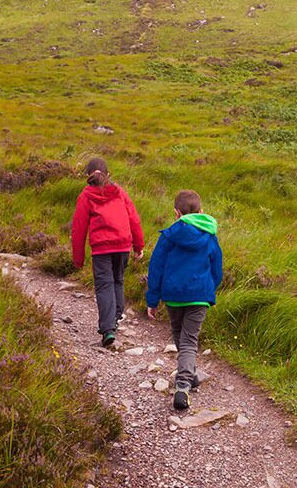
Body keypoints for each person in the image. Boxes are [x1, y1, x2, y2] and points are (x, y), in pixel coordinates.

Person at [145, 189, 223, 411]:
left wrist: (152, 299)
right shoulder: (209, 235)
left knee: (181, 337)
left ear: (176, 213)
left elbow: (156, 268)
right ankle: (186, 380)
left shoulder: (169, 235)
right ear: (201, 211)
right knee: (188, 340)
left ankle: (184, 382)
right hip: (199, 296)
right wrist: (209, 287)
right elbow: (216, 268)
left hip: (174, 296)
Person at [71, 157, 144, 348]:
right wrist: (139, 246)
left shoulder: (86, 196)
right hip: (122, 245)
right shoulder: (120, 192)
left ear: (88, 176)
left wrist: (78, 258)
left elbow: (78, 228)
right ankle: (116, 316)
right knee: (118, 280)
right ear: (108, 174)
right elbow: (134, 219)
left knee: (104, 285)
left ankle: (108, 329)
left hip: (101, 248)